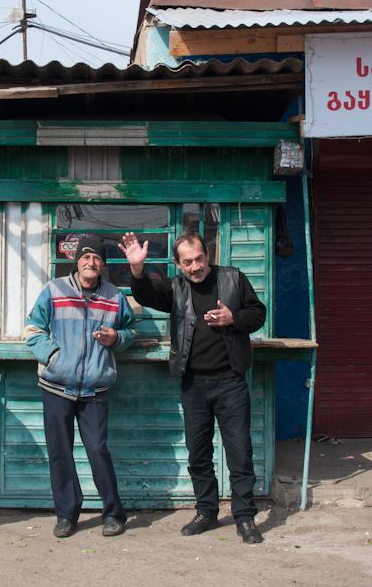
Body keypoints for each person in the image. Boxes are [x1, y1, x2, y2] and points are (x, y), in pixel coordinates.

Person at [119, 230, 266, 544]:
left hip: (230, 382)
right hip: (193, 384)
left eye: (199, 258)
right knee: (198, 454)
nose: (195, 266)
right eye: (188, 262)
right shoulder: (174, 287)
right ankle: (207, 511)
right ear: (178, 264)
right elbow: (146, 296)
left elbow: (258, 314)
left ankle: (244, 517)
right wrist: (136, 269)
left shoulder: (233, 279)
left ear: (207, 255)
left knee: (240, 453)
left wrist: (233, 317)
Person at [25, 236, 135, 539]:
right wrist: (54, 358)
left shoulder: (115, 296)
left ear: (103, 264)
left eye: (97, 258)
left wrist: (117, 339)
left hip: (95, 388)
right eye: (86, 257)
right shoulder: (54, 290)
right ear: (77, 262)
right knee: (59, 452)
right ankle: (66, 515)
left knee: (98, 450)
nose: (91, 263)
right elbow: (33, 330)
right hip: (57, 385)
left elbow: (130, 330)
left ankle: (113, 514)